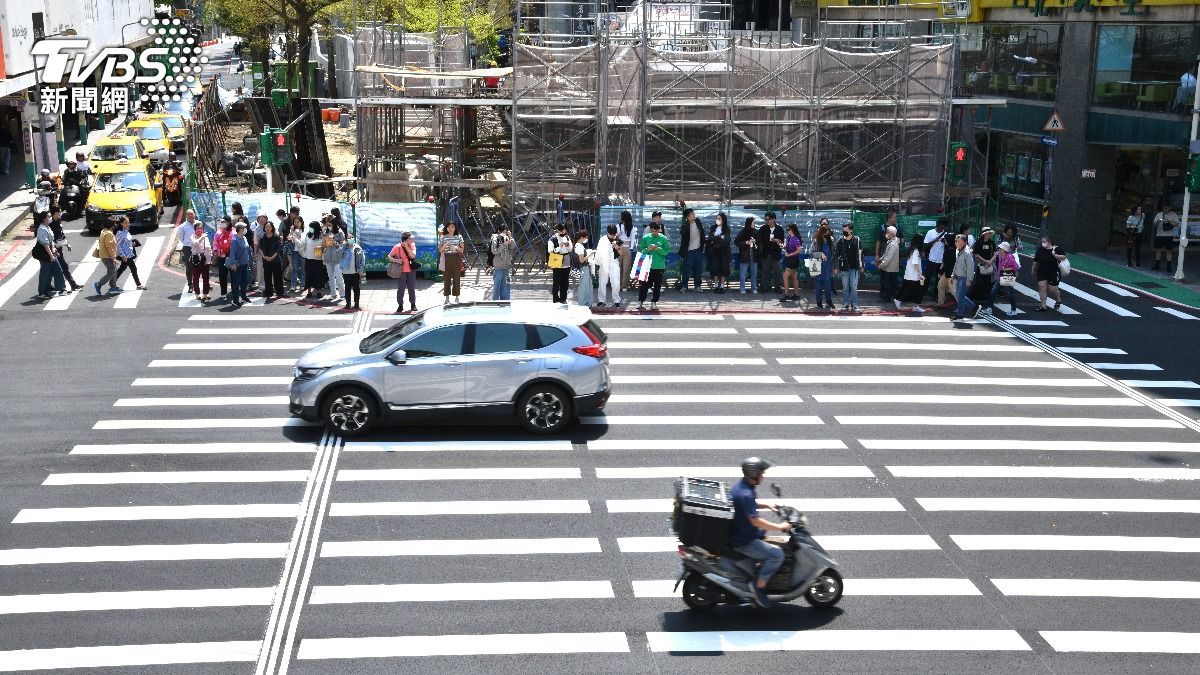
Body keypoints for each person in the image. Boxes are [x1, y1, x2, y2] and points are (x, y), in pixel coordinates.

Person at [729, 457, 792, 608]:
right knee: (777, 555)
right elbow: (755, 521)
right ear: (753, 474)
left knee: (769, 538)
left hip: (742, 530)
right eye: (761, 473)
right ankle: (759, 586)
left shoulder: (742, 486)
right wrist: (780, 526)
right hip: (744, 541)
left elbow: (749, 504)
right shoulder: (746, 493)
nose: (763, 476)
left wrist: (767, 505)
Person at [48, 208, 83, 292]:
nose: (61, 213)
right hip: (54, 249)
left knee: (54, 268)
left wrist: (67, 244)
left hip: (59, 248)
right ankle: (72, 285)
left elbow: (61, 234)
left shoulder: (58, 220)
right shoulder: (50, 223)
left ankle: (48, 285)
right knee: (63, 266)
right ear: (55, 213)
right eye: (59, 212)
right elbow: (50, 237)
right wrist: (53, 247)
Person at [638, 221, 669, 310]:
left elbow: (666, 252)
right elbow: (642, 250)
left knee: (657, 286)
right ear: (651, 230)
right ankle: (640, 301)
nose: (654, 232)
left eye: (656, 231)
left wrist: (658, 249)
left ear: (659, 230)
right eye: (653, 231)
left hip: (659, 266)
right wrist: (647, 249)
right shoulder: (646, 237)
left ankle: (654, 302)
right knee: (644, 285)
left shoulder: (664, 238)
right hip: (647, 265)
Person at [33, 214, 65, 298]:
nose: (50, 218)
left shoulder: (47, 227)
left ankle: (61, 289)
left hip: (50, 252)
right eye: (49, 217)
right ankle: (42, 292)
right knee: (45, 273)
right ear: (44, 219)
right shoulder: (42, 229)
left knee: (57, 270)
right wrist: (51, 256)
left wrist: (54, 250)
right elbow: (45, 244)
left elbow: (51, 241)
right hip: (45, 254)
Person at [833, 223, 862, 311]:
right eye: (843, 230)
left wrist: (861, 265)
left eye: (846, 230)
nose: (844, 231)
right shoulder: (840, 241)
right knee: (845, 287)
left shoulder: (857, 240)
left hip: (854, 267)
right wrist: (836, 267)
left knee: (854, 286)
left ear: (851, 230)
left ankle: (854, 303)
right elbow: (836, 254)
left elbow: (861, 254)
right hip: (844, 267)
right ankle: (845, 303)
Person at [1033, 235, 1067, 312]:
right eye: (1042, 241)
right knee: (1042, 287)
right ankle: (1043, 306)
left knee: (1052, 289)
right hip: (1041, 271)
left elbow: (1064, 257)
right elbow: (1036, 260)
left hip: (1053, 272)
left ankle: (1058, 299)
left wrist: (1055, 255)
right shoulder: (1040, 249)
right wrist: (1033, 268)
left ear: (1049, 242)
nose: (1042, 243)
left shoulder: (1057, 249)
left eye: (1044, 241)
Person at [388, 232, 419, 313]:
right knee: (401, 289)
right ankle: (400, 305)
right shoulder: (397, 247)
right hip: (401, 272)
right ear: (406, 239)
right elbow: (389, 256)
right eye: (411, 238)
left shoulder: (412, 245)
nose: (413, 239)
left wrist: (406, 247)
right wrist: (396, 260)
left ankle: (413, 304)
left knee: (411, 288)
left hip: (411, 271)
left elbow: (413, 255)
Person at [895, 232, 926, 313]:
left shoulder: (913, 249)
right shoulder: (915, 251)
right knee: (911, 291)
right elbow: (915, 264)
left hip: (911, 275)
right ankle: (899, 300)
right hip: (914, 275)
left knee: (910, 290)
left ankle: (902, 301)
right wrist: (920, 274)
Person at [951, 234, 979, 321]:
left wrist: (969, 280)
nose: (955, 242)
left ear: (963, 242)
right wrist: (953, 274)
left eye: (957, 241)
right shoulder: (959, 251)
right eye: (955, 241)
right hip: (959, 276)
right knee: (959, 295)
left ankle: (960, 314)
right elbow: (956, 264)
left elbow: (971, 267)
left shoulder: (967, 253)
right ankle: (974, 307)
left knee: (960, 296)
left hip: (964, 277)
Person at [988, 241, 1020, 316]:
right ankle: (989, 309)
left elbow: (1016, 267)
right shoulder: (1000, 255)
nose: (999, 249)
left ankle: (1013, 310)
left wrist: (1007, 269)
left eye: (1000, 248)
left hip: (1007, 276)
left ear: (1004, 249)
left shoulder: (1009, 257)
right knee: (993, 292)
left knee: (1010, 294)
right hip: (1000, 276)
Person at [679, 208, 706, 293]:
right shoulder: (685, 225)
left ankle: (697, 286)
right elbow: (682, 233)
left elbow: (703, 234)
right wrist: (687, 224)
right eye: (692, 214)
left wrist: (703, 246)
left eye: (694, 213)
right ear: (688, 217)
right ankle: (684, 286)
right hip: (689, 251)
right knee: (687, 270)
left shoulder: (698, 223)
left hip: (699, 250)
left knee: (698, 270)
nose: (694, 215)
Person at [113, 216, 144, 290]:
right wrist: (123, 255)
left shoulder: (126, 230)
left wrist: (133, 244)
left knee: (122, 268)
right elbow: (118, 245)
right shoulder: (120, 232)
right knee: (133, 268)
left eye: (128, 222)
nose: (128, 224)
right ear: (121, 223)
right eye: (125, 223)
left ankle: (112, 282)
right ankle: (138, 285)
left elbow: (125, 242)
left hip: (128, 253)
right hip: (125, 255)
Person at [595, 223, 623, 307]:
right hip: (603, 262)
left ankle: (616, 300)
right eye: (611, 234)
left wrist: (617, 247)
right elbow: (598, 251)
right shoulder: (602, 239)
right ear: (607, 232)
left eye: (613, 234)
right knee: (602, 282)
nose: (612, 236)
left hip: (614, 262)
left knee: (616, 282)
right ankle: (601, 300)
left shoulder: (618, 240)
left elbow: (622, 253)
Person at [757, 212, 785, 294]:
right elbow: (758, 239)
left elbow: (782, 242)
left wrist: (776, 240)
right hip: (765, 253)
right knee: (765, 271)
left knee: (777, 271)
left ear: (774, 219)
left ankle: (777, 287)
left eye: (768, 219)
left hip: (775, 254)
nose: (767, 221)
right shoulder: (763, 228)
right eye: (766, 219)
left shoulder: (779, 229)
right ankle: (765, 287)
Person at [810, 220, 834, 309]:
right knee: (818, 287)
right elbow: (811, 253)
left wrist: (834, 267)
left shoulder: (830, 241)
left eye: (827, 232)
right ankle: (819, 303)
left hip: (827, 267)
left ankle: (829, 301)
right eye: (824, 232)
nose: (826, 234)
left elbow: (834, 254)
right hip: (817, 267)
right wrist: (820, 254)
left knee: (828, 287)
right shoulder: (816, 241)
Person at [226, 222, 252, 307]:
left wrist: (249, 260)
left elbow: (247, 250)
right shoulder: (234, 240)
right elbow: (232, 253)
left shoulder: (244, 238)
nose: (245, 229)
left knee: (244, 281)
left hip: (244, 263)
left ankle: (244, 296)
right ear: (240, 229)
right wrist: (233, 264)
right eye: (244, 228)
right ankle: (235, 300)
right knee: (236, 283)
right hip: (237, 265)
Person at [972, 227, 997, 310]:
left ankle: (986, 299)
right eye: (987, 233)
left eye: (990, 233)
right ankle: (978, 299)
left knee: (989, 282)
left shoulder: (992, 243)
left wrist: (990, 262)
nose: (989, 234)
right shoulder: (978, 243)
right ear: (984, 234)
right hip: (980, 265)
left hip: (989, 265)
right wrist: (986, 261)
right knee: (979, 281)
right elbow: (976, 254)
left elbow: (995, 253)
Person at [922, 218, 948, 297]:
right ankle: (922, 293)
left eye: (944, 227)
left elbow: (949, 247)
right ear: (937, 225)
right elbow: (925, 245)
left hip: (941, 261)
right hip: (931, 259)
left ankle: (936, 296)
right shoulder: (930, 232)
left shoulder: (946, 234)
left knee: (938, 280)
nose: (942, 229)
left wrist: (945, 242)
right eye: (941, 227)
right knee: (926, 278)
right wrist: (935, 240)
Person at [439, 222, 464, 304]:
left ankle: (457, 297)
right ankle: (447, 297)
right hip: (446, 258)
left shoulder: (459, 236)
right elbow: (440, 250)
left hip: (456, 258)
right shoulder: (443, 237)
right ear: (446, 228)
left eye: (452, 227)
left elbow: (462, 249)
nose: (450, 228)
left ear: (455, 228)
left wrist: (456, 247)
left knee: (457, 278)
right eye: (449, 227)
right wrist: (445, 244)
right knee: (447, 278)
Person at [490, 223, 517, 301]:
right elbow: (494, 251)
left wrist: (510, 237)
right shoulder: (495, 239)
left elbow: (513, 246)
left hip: (506, 266)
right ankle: (495, 302)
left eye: (506, 232)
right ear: (499, 231)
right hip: (498, 267)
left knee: (506, 286)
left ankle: (505, 301)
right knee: (497, 286)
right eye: (503, 232)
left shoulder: (507, 238)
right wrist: (504, 245)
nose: (504, 234)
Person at [322, 218, 347, 302]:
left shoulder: (340, 232)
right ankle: (333, 294)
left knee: (339, 276)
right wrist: (324, 241)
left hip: (337, 258)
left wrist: (335, 243)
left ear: (334, 224)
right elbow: (323, 245)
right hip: (328, 257)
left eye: (330, 224)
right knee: (330, 277)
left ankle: (342, 294)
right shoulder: (326, 232)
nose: (328, 226)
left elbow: (343, 245)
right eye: (327, 224)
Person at [176, 210, 201, 293]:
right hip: (188, 248)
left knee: (200, 265)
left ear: (194, 214)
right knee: (189, 267)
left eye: (191, 214)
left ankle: (202, 283)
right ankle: (190, 285)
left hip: (198, 247)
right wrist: (186, 243)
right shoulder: (183, 226)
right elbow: (180, 236)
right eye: (188, 214)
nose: (190, 216)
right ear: (186, 216)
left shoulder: (199, 223)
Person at [188, 220, 213, 303]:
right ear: (195, 229)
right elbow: (194, 243)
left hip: (205, 261)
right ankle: (197, 294)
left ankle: (205, 294)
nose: (200, 230)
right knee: (196, 278)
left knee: (206, 278)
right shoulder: (192, 236)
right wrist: (201, 238)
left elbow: (208, 248)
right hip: (196, 261)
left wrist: (209, 259)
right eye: (198, 228)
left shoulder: (205, 237)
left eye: (201, 228)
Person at [301, 221, 327, 300]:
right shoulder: (308, 235)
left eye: (311, 227)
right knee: (309, 275)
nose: (310, 229)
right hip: (308, 258)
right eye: (310, 227)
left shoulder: (321, 236)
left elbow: (324, 246)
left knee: (318, 276)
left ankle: (318, 292)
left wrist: (322, 246)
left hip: (318, 259)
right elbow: (303, 244)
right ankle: (309, 292)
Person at [92, 222, 120, 296]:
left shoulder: (104, 231)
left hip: (105, 255)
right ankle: (98, 284)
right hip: (107, 256)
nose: (115, 225)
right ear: (112, 225)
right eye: (114, 224)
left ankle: (113, 287)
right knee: (112, 272)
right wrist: (113, 258)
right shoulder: (109, 234)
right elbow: (108, 246)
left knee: (113, 271)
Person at [547, 222, 572, 303]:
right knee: (556, 281)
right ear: (558, 230)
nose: (563, 233)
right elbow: (550, 251)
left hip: (566, 259)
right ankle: (555, 299)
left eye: (565, 231)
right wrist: (559, 247)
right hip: (556, 260)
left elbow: (570, 250)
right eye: (562, 231)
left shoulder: (567, 237)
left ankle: (563, 299)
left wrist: (568, 246)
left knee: (565, 281)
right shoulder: (552, 239)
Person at [707, 212, 731, 294]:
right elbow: (710, 238)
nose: (717, 220)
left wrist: (715, 241)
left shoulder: (726, 228)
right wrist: (720, 237)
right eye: (717, 218)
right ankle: (716, 286)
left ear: (723, 220)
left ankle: (722, 287)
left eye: (719, 219)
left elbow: (727, 240)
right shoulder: (713, 227)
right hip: (714, 252)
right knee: (715, 269)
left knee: (723, 269)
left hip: (724, 252)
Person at [876, 225, 900, 304]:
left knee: (888, 284)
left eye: (888, 232)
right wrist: (880, 259)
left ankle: (887, 299)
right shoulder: (891, 242)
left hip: (890, 268)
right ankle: (887, 298)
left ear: (892, 234)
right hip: (889, 268)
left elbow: (888, 258)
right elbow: (886, 254)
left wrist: (880, 265)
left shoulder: (893, 244)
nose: (886, 234)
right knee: (888, 284)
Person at [735, 216, 760, 294]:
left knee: (754, 274)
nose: (754, 224)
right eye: (753, 222)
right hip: (744, 256)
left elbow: (760, 241)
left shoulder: (756, 232)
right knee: (743, 274)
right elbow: (736, 242)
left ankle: (754, 288)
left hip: (754, 256)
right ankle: (742, 289)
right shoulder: (743, 232)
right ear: (749, 223)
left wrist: (755, 241)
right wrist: (745, 242)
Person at [1151, 204, 1179, 272]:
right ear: (1162, 208)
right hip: (1159, 234)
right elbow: (1154, 224)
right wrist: (1158, 221)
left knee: (1169, 251)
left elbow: (1177, 224)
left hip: (1169, 235)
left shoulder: (1173, 214)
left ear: (1170, 208)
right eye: (1164, 208)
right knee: (1158, 250)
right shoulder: (1159, 214)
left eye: (1167, 208)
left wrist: (1169, 221)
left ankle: (1168, 266)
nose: (1165, 209)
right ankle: (1157, 265)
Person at [260, 221, 284, 299]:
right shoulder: (262, 237)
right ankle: (268, 292)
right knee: (267, 277)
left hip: (276, 260)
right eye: (266, 227)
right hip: (266, 260)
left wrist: (272, 257)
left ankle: (279, 292)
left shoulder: (276, 237)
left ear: (272, 228)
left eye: (269, 227)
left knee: (277, 277)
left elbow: (279, 249)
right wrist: (263, 256)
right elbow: (260, 248)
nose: (267, 228)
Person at [340, 236, 365, 310]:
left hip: (355, 272)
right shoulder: (344, 248)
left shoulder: (357, 248)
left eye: (351, 238)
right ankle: (348, 303)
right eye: (348, 238)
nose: (350, 239)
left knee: (356, 288)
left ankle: (356, 303)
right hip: (346, 272)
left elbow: (362, 259)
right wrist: (343, 245)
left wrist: (361, 268)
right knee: (347, 288)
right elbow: (338, 254)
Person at [781, 223, 803, 302]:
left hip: (793, 260)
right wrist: (782, 246)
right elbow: (786, 247)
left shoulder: (795, 239)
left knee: (785, 277)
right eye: (786, 229)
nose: (787, 231)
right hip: (790, 260)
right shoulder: (789, 237)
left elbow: (799, 250)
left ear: (793, 230)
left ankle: (786, 294)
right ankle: (796, 295)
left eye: (788, 229)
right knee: (794, 278)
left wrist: (790, 254)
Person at [574, 229, 595, 307]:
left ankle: (586, 303)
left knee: (587, 286)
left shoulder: (578, 245)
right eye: (586, 237)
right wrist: (590, 254)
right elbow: (582, 260)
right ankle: (582, 303)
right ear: (582, 237)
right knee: (584, 287)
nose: (587, 239)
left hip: (583, 268)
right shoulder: (579, 246)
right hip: (583, 268)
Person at [213, 216, 232, 299]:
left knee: (233, 274)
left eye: (224, 222)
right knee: (222, 275)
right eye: (222, 222)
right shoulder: (218, 233)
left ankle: (234, 291)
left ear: (228, 222)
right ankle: (223, 293)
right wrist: (215, 251)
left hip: (231, 256)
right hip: (222, 256)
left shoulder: (233, 232)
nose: (222, 223)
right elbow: (215, 243)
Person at [937, 230, 957, 307]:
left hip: (950, 274)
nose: (944, 241)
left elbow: (946, 264)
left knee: (954, 292)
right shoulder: (954, 249)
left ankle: (969, 306)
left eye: (945, 239)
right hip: (949, 273)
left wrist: (940, 272)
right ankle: (940, 303)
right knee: (941, 286)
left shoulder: (949, 250)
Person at [617, 211, 635, 289]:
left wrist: (631, 248)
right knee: (618, 267)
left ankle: (624, 285)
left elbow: (633, 238)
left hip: (627, 247)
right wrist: (618, 234)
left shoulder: (631, 227)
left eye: (621, 216)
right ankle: (618, 285)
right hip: (619, 247)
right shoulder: (618, 225)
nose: (620, 218)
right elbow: (615, 237)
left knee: (626, 268)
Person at [288, 214, 307, 290]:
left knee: (303, 269)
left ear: (301, 222)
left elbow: (302, 242)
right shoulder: (292, 230)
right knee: (294, 268)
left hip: (303, 251)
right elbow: (289, 239)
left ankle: (303, 284)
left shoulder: (304, 231)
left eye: (298, 222)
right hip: (295, 251)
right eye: (295, 222)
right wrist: (291, 231)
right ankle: (293, 285)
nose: (296, 223)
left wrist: (294, 237)